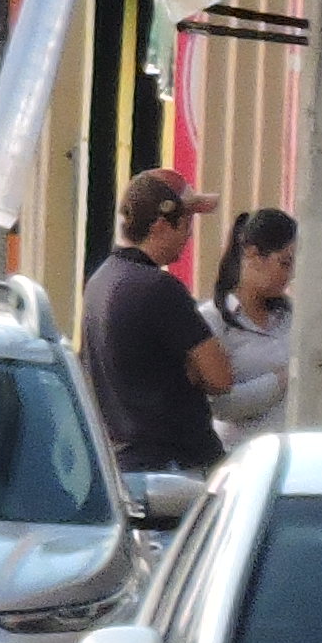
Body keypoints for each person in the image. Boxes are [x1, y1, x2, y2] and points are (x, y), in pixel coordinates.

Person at [80, 168, 231, 477]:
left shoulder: (99, 282)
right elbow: (220, 377)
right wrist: (193, 371)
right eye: (187, 222)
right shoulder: (160, 289)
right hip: (173, 470)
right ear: (162, 225)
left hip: (121, 466)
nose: (189, 235)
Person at [206, 206, 298, 443]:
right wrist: (280, 381)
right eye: (284, 263)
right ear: (253, 255)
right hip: (239, 455)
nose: (290, 275)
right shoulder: (214, 319)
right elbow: (219, 404)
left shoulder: (290, 318)